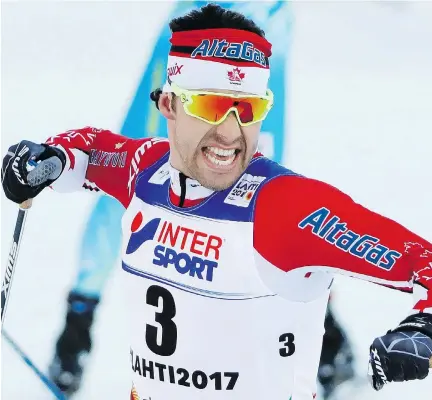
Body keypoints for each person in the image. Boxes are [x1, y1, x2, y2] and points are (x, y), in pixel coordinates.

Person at [3, 4, 431, 400]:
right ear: (169, 104)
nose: (231, 132)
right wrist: (51, 159)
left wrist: (423, 328)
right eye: (210, 107)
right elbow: (93, 152)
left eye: (249, 109)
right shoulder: (146, 171)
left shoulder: (284, 205)